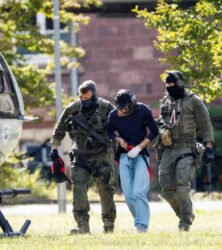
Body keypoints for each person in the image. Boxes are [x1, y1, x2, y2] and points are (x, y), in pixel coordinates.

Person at [50, 80, 116, 234]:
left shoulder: (106, 107)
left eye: (87, 97)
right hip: (80, 155)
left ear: (94, 93)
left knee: (106, 190)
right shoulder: (73, 108)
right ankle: (83, 227)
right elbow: (60, 128)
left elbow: (118, 125)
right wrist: (54, 149)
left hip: (102, 154)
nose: (85, 100)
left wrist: (119, 145)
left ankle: (108, 227)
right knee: (78, 190)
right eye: (82, 98)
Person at [156, 70, 214, 231]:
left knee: (182, 186)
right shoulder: (166, 101)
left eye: (171, 84)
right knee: (167, 190)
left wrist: (208, 146)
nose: (168, 87)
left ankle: (185, 222)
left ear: (180, 84)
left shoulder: (193, 100)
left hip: (187, 146)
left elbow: (205, 123)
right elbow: (163, 119)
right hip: (168, 148)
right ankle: (184, 214)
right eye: (166, 85)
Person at [107, 89, 158, 233]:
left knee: (139, 192)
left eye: (126, 108)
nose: (123, 111)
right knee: (129, 195)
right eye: (120, 108)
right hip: (124, 156)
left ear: (132, 103)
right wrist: (118, 139)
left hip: (140, 154)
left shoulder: (143, 110)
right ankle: (139, 220)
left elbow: (154, 131)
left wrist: (141, 145)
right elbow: (108, 131)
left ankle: (142, 226)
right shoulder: (113, 115)